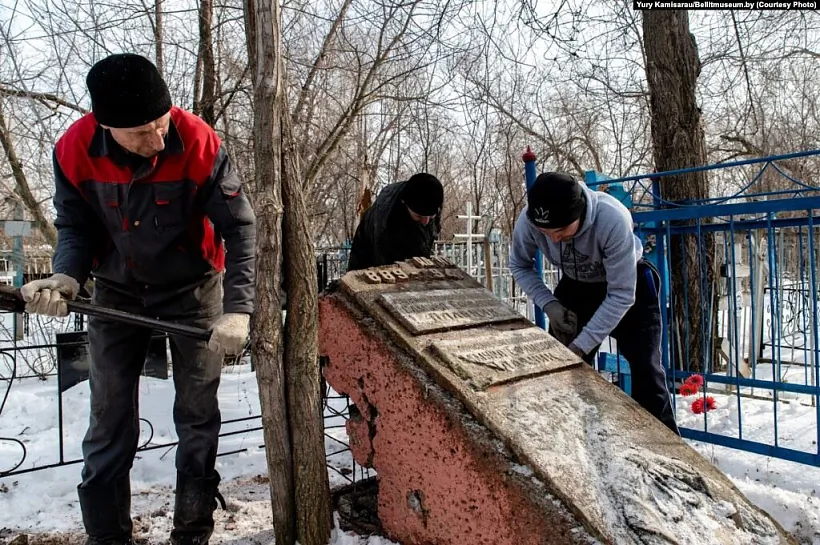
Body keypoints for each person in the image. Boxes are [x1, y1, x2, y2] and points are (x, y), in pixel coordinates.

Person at [20, 53, 256, 545]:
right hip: (116, 293)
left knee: (197, 416)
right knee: (108, 421)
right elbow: (74, 226)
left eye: (161, 122)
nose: (158, 138)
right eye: (142, 132)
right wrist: (65, 278)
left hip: (193, 290)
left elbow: (239, 227)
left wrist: (238, 309)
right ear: (106, 127)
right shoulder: (73, 150)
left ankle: (191, 531)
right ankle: (108, 537)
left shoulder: (199, 142)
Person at [510, 172, 679, 434]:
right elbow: (519, 265)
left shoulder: (612, 217)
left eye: (562, 230)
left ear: (579, 213)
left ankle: (670, 451)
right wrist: (551, 305)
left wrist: (581, 345)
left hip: (629, 284)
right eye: (545, 232)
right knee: (561, 369)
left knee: (647, 370)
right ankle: (570, 436)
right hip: (576, 287)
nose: (553, 239)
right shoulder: (529, 220)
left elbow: (622, 295)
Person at [346, 173, 443, 271]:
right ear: (404, 204)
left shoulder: (433, 199)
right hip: (369, 262)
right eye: (419, 216)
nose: (425, 221)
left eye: (430, 216)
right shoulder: (384, 219)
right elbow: (384, 263)